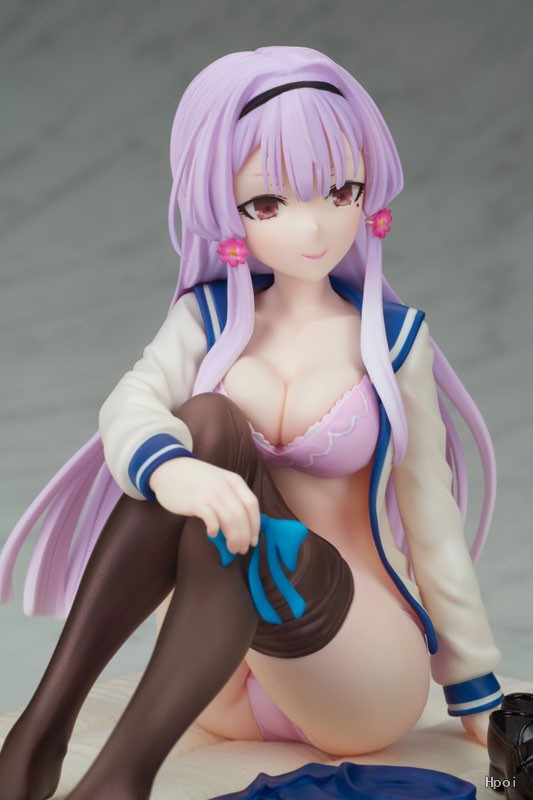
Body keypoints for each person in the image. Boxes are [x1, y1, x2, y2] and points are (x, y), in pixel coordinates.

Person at [0, 46, 502, 800]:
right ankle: (49, 725)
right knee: (201, 425)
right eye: (269, 203)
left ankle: (108, 771)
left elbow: (431, 517)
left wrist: (476, 685)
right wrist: (172, 469)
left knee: (217, 451)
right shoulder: (207, 321)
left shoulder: (393, 341)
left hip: (355, 662)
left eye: (341, 191)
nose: (313, 226)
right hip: (221, 682)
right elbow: (130, 403)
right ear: (223, 211)